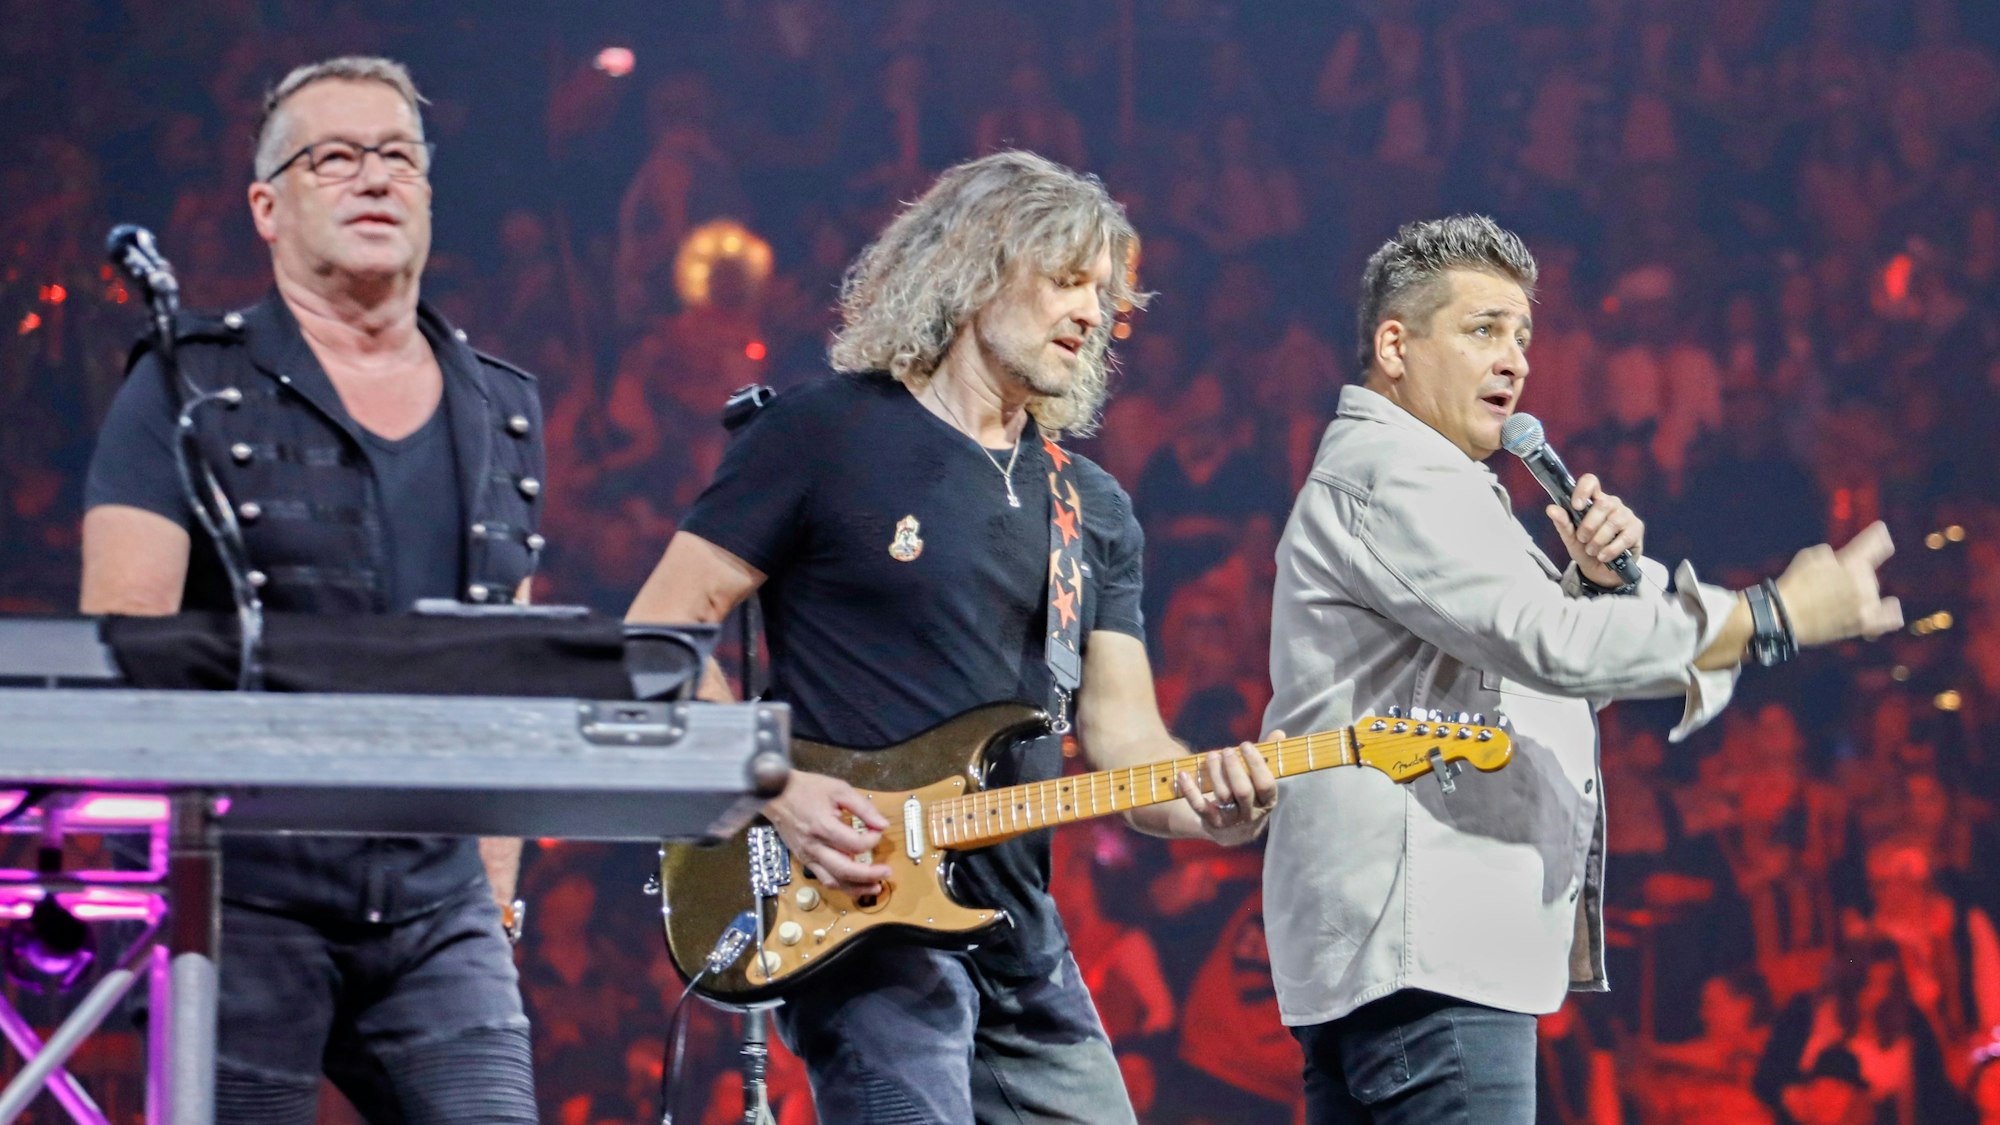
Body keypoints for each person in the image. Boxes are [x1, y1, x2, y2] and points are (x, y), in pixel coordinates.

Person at [627, 149, 1279, 1125]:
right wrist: (772, 783)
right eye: (1067, 280)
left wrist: (1214, 810)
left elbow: (1128, 745)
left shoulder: (1093, 508)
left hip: (1018, 933)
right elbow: (659, 630)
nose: (1092, 313)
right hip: (864, 920)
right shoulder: (825, 433)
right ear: (976, 263)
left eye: (1102, 294)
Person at [1260, 214, 1903, 1124]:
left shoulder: (1427, 480)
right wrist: (1770, 616)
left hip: (1409, 960)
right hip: (1430, 960)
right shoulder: (1396, 474)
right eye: (1484, 329)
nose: (1516, 360)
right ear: (1395, 346)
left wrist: (1593, 588)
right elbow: (1550, 646)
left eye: (1523, 335)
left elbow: (1531, 666)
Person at [80, 57, 542, 1123]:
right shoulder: (182, 383)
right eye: (334, 157)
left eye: (398, 157)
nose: (374, 178)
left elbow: (510, 682)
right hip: (238, 896)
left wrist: (494, 893)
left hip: (437, 908)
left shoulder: (503, 406)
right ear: (267, 207)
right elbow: (123, 645)